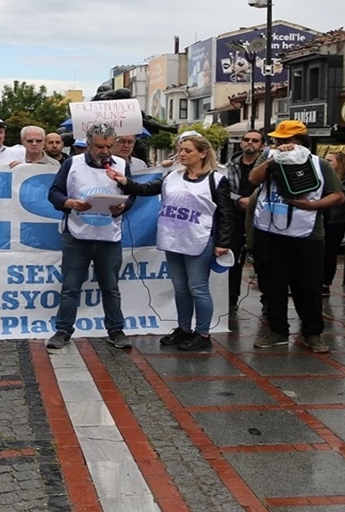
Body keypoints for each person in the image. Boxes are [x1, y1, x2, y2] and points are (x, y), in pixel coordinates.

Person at [107, 131, 235, 351]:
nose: (181, 154)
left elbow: (226, 213)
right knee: (180, 288)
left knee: (198, 288)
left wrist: (222, 242)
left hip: (199, 240)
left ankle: (202, 333)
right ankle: (183, 328)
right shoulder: (172, 176)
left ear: (203, 153)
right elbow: (146, 189)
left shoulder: (216, 180)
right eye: (180, 150)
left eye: (187, 150)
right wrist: (124, 180)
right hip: (173, 240)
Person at [246, 121, 345, 353]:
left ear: (300, 141)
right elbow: (253, 179)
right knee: (273, 286)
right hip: (271, 232)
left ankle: (313, 333)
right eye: (277, 140)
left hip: (307, 235)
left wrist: (314, 205)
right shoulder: (269, 158)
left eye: (286, 140)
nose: (280, 144)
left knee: (308, 287)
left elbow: (338, 195)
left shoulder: (319, 164)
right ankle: (277, 330)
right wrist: (272, 161)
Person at [45, 123, 136, 351]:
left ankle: (116, 330)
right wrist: (71, 203)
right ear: (88, 144)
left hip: (109, 237)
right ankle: (63, 330)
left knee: (111, 287)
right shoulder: (72, 164)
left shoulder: (122, 165)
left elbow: (131, 193)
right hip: (77, 237)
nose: (105, 151)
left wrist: (123, 207)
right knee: (70, 287)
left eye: (109, 146)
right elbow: (54, 193)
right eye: (99, 146)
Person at [225, 130, 268, 310]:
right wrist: (239, 200)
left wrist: (253, 201)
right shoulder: (230, 166)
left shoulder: (267, 166)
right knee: (232, 260)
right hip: (234, 217)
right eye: (246, 139)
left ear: (262, 145)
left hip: (261, 218)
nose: (250, 143)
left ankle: (268, 300)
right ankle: (230, 299)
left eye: (255, 140)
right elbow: (221, 189)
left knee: (263, 261)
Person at [322, 151, 345, 300]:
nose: (327, 163)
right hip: (322, 217)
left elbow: (339, 196)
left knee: (329, 253)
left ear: (340, 163)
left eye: (330, 161)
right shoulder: (322, 176)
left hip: (335, 220)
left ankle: (325, 284)